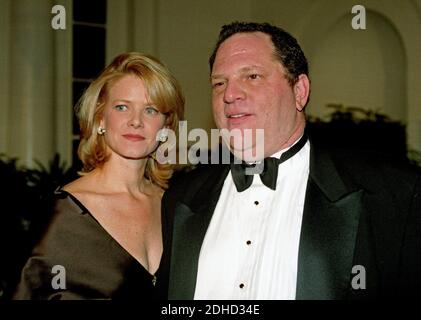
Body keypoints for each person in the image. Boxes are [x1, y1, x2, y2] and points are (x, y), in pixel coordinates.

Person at [156, 21, 421, 299]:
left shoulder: (391, 197)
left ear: (299, 91)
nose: (230, 95)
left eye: (252, 76)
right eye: (219, 83)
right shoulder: (180, 200)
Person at [13, 52, 184, 299]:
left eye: (151, 110)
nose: (136, 121)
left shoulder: (176, 206)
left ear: (166, 126)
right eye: (122, 107)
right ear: (101, 118)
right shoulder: (64, 215)